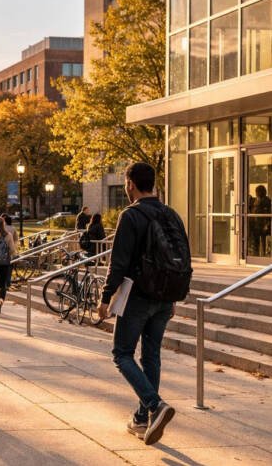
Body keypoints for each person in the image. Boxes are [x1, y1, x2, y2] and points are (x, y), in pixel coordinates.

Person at [98, 162, 185, 446]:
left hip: (138, 296)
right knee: (151, 356)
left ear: (131, 184)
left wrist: (104, 298)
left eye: (126, 182)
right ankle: (141, 418)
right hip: (165, 296)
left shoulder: (131, 215)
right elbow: (181, 258)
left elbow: (118, 263)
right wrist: (171, 297)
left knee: (121, 353)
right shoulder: (171, 214)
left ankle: (154, 405)